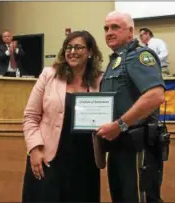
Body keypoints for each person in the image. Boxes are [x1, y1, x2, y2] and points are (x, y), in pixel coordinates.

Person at [22, 30, 103, 202]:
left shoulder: (100, 80)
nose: (72, 51)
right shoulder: (48, 75)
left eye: (78, 47)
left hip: (85, 161)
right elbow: (30, 116)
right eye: (68, 47)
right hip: (48, 158)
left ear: (90, 52)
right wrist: (35, 149)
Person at [96, 11, 166, 203]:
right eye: (106, 28)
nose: (109, 32)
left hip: (138, 148)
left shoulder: (140, 56)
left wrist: (119, 125)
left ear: (130, 32)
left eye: (115, 27)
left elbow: (155, 95)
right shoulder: (115, 61)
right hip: (117, 147)